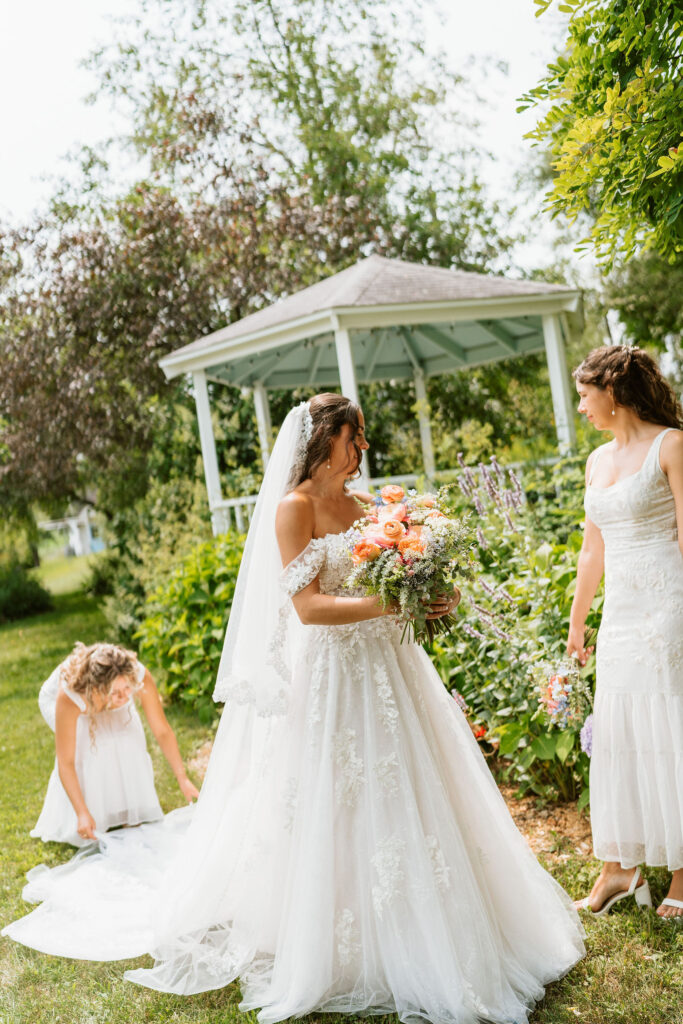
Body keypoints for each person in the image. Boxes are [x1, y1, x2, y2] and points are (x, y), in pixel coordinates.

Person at [4, 395, 584, 1024]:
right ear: (321, 441)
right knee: (337, 796)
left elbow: (390, 577)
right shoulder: (294, 509)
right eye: (351, 436)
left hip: (393, 668)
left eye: (361, 436)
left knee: (420, 784)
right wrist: (393, 607)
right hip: (334, 676)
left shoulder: (369, 507)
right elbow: (307, 609)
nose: (361, 447)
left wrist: (426, 590)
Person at [568, 346, 683, 919]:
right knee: (618, 731)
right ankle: (620, 869)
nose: (581, 407)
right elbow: (592, 550)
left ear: (612, 391)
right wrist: (577, 623)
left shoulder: (672, 445)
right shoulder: (595, 460)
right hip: (620, 614)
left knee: (669, 726)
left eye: (585, 395)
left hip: (667, 606)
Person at [32, 642, 199, 847]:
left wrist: (182, 779)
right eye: (116, 692)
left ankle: (123, 809)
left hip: (104, 690)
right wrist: (81, 813)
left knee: (128, 737)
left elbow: (162, 730)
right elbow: (66, 762)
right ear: (98, 688)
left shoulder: (137, 675)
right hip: (66, 701)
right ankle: (89, 812)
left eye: (127, 688)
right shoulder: (71, 695)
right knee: (88, 744)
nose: (124, 697)